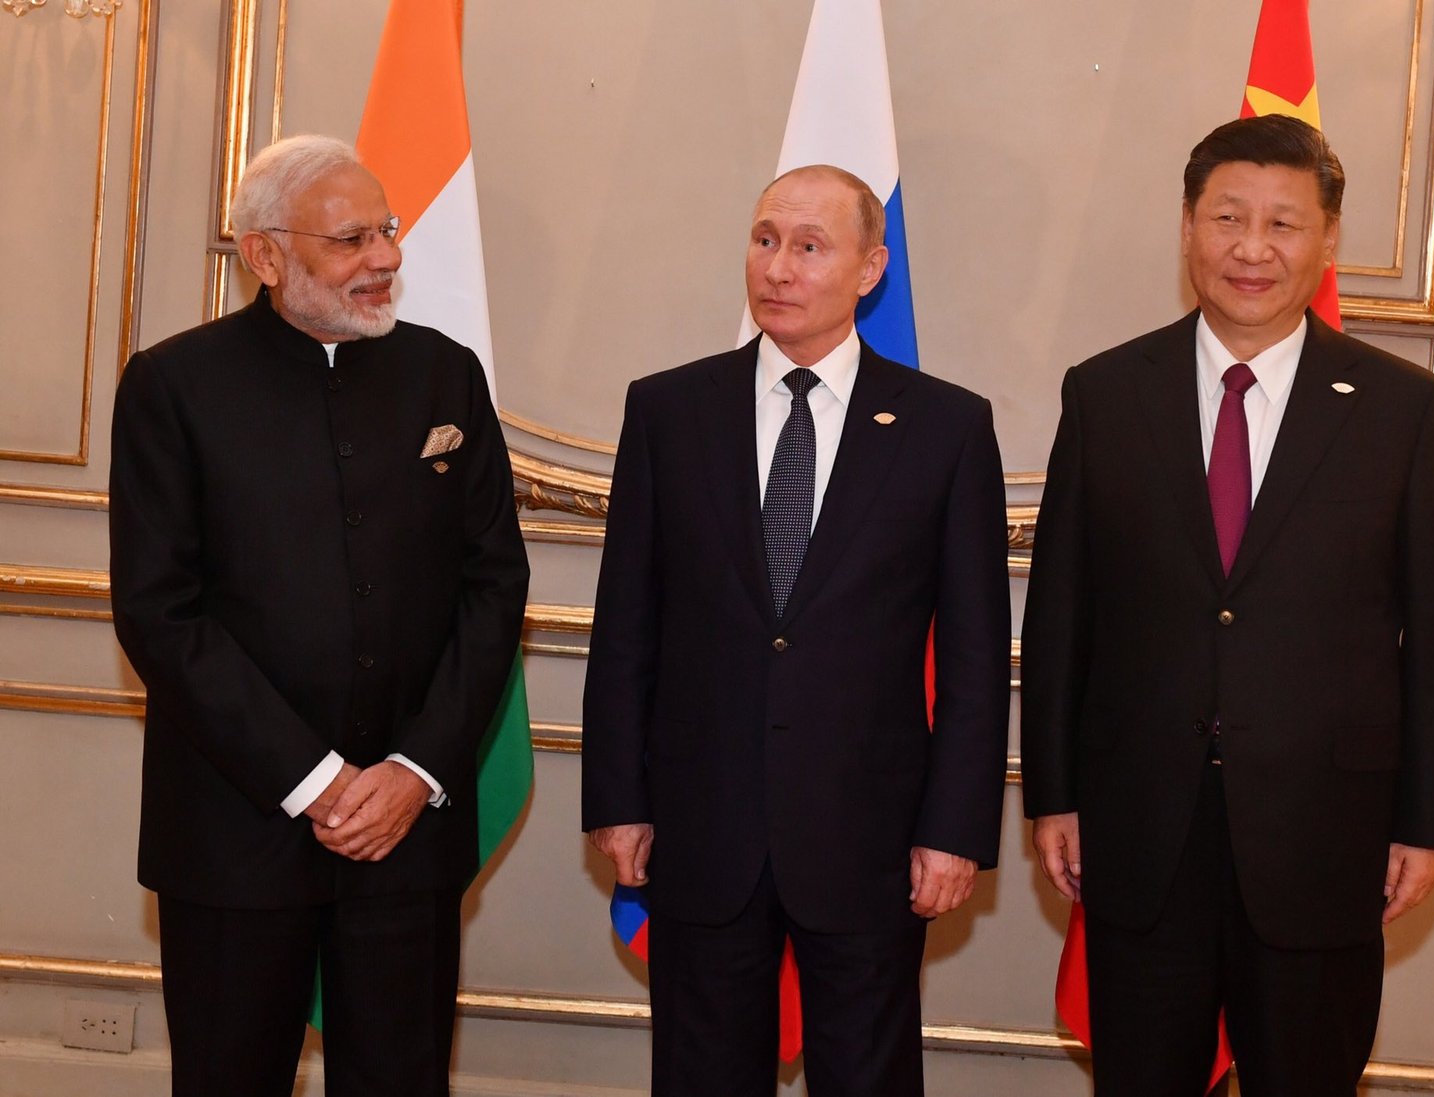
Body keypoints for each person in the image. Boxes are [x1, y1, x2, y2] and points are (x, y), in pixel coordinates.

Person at [1021, 115, 1434, 1096]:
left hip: (1327, 828)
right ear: (1187, 226)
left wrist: (1428, 817)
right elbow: (1063, 612)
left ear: (1325, 242)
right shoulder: (1106, 393)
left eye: (1282, 222)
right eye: (1226, 216)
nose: (1250, 247)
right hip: (1141, 824)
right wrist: (1052, 790)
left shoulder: (1402, 410)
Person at [109, 134, 529, 1097]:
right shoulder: (174, 386)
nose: (384, 257)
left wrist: (414, 771)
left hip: (406, 826)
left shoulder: (445, 375)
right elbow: (158, 610)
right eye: (350, 241)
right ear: (265, 255)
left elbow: (493, 582)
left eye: (386, 231)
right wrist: (317, 781)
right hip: (234, 828)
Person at [581, 164, 1011, 1096]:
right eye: (765, 238)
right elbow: (626, 626)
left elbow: (976, 658)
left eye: (809, 246)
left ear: (870, 268)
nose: (777, 266)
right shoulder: (668, 411)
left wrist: (956, 829)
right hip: (701, 828)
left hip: (872, 837)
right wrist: (618, 796)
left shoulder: (946, 427)